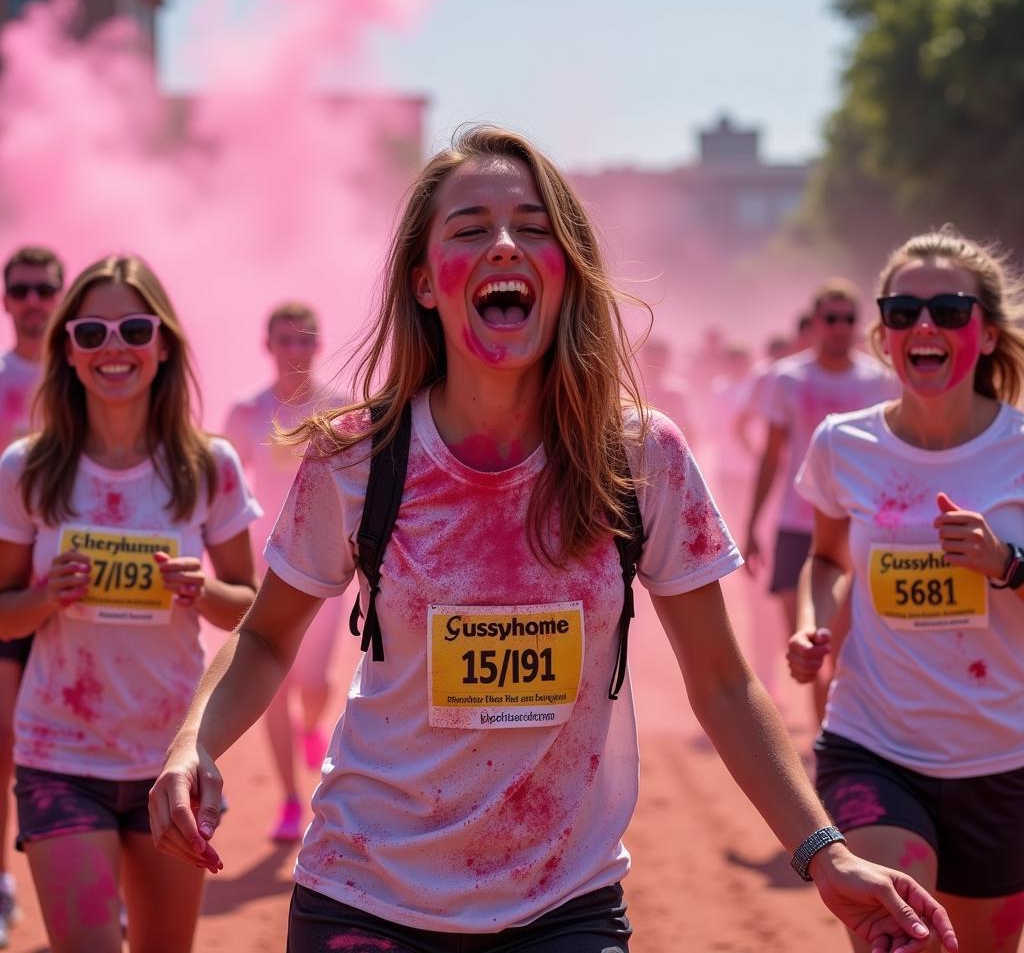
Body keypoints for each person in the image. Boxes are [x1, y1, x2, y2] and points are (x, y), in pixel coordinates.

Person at [150, 127, 957, 953]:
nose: (505, 243)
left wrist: (825, 852)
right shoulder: (358, 459)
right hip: (364, 896)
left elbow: (721, 682)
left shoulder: (643, 457)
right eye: (470, 229)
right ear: (426, 285)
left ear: (566, 271)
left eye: (534, 227)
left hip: (564, 908)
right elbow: (267, 637)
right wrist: (192, 745)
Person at [0, 254, 261, 953]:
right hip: (60, 755)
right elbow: (1, 612)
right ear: (68, 351)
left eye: (134, 329)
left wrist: (202, 591)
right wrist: (43, 597)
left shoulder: (210, 467)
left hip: (171, 758)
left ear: (164, 344)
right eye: (91, 334)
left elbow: (254, 611)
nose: (113, 348)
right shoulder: (27, 469)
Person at [788, 228, 1024, 953]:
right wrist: (812, 623)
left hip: (1000, 760)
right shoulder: (842, 444)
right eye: (903, 312)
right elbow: (826, 560)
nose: (925, 326)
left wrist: (1005, 563)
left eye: (950, 310)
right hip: (874, 745)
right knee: (903, 936)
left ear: (984, 336)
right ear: (885, 337)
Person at [224, 302, 350, 842]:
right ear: (267, 345)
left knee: (314, 680)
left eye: (304, 341)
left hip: (324, 566)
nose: (294, 351)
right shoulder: (247, 411)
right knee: (272, 681)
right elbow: (224, 487)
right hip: (264, 568)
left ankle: (313, 725)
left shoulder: (341, 409)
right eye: (285, 341)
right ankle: (290, 802)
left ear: (317, 347)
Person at [744, 279, 895, 720]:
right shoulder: (788, 379)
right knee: (808, 646)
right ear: (815, 324)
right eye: (831, 318)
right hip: (796, 525)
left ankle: (836, 741)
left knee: (846, 650)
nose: (840, 328)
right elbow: (771, 455)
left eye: (849, 319)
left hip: (857, 528)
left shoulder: (879, 380)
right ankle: (822, 743)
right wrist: (753, 524)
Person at [0, 244, 64, 946]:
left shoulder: (81, 374)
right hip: (10, 586)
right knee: (2, 740)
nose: (34, 299)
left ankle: (97, 876)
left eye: (45, 287)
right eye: (22, 288)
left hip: (83, 583)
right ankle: (2, 879)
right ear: (6, 299)